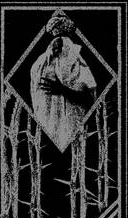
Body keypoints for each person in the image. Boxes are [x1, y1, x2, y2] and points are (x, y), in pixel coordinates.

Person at [30, 10, 96, 151]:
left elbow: (88, 97)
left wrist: (62, 89)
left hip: (68, 126)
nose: (59, 45)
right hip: (51, 126)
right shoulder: (41, 64)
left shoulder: (75, 62)